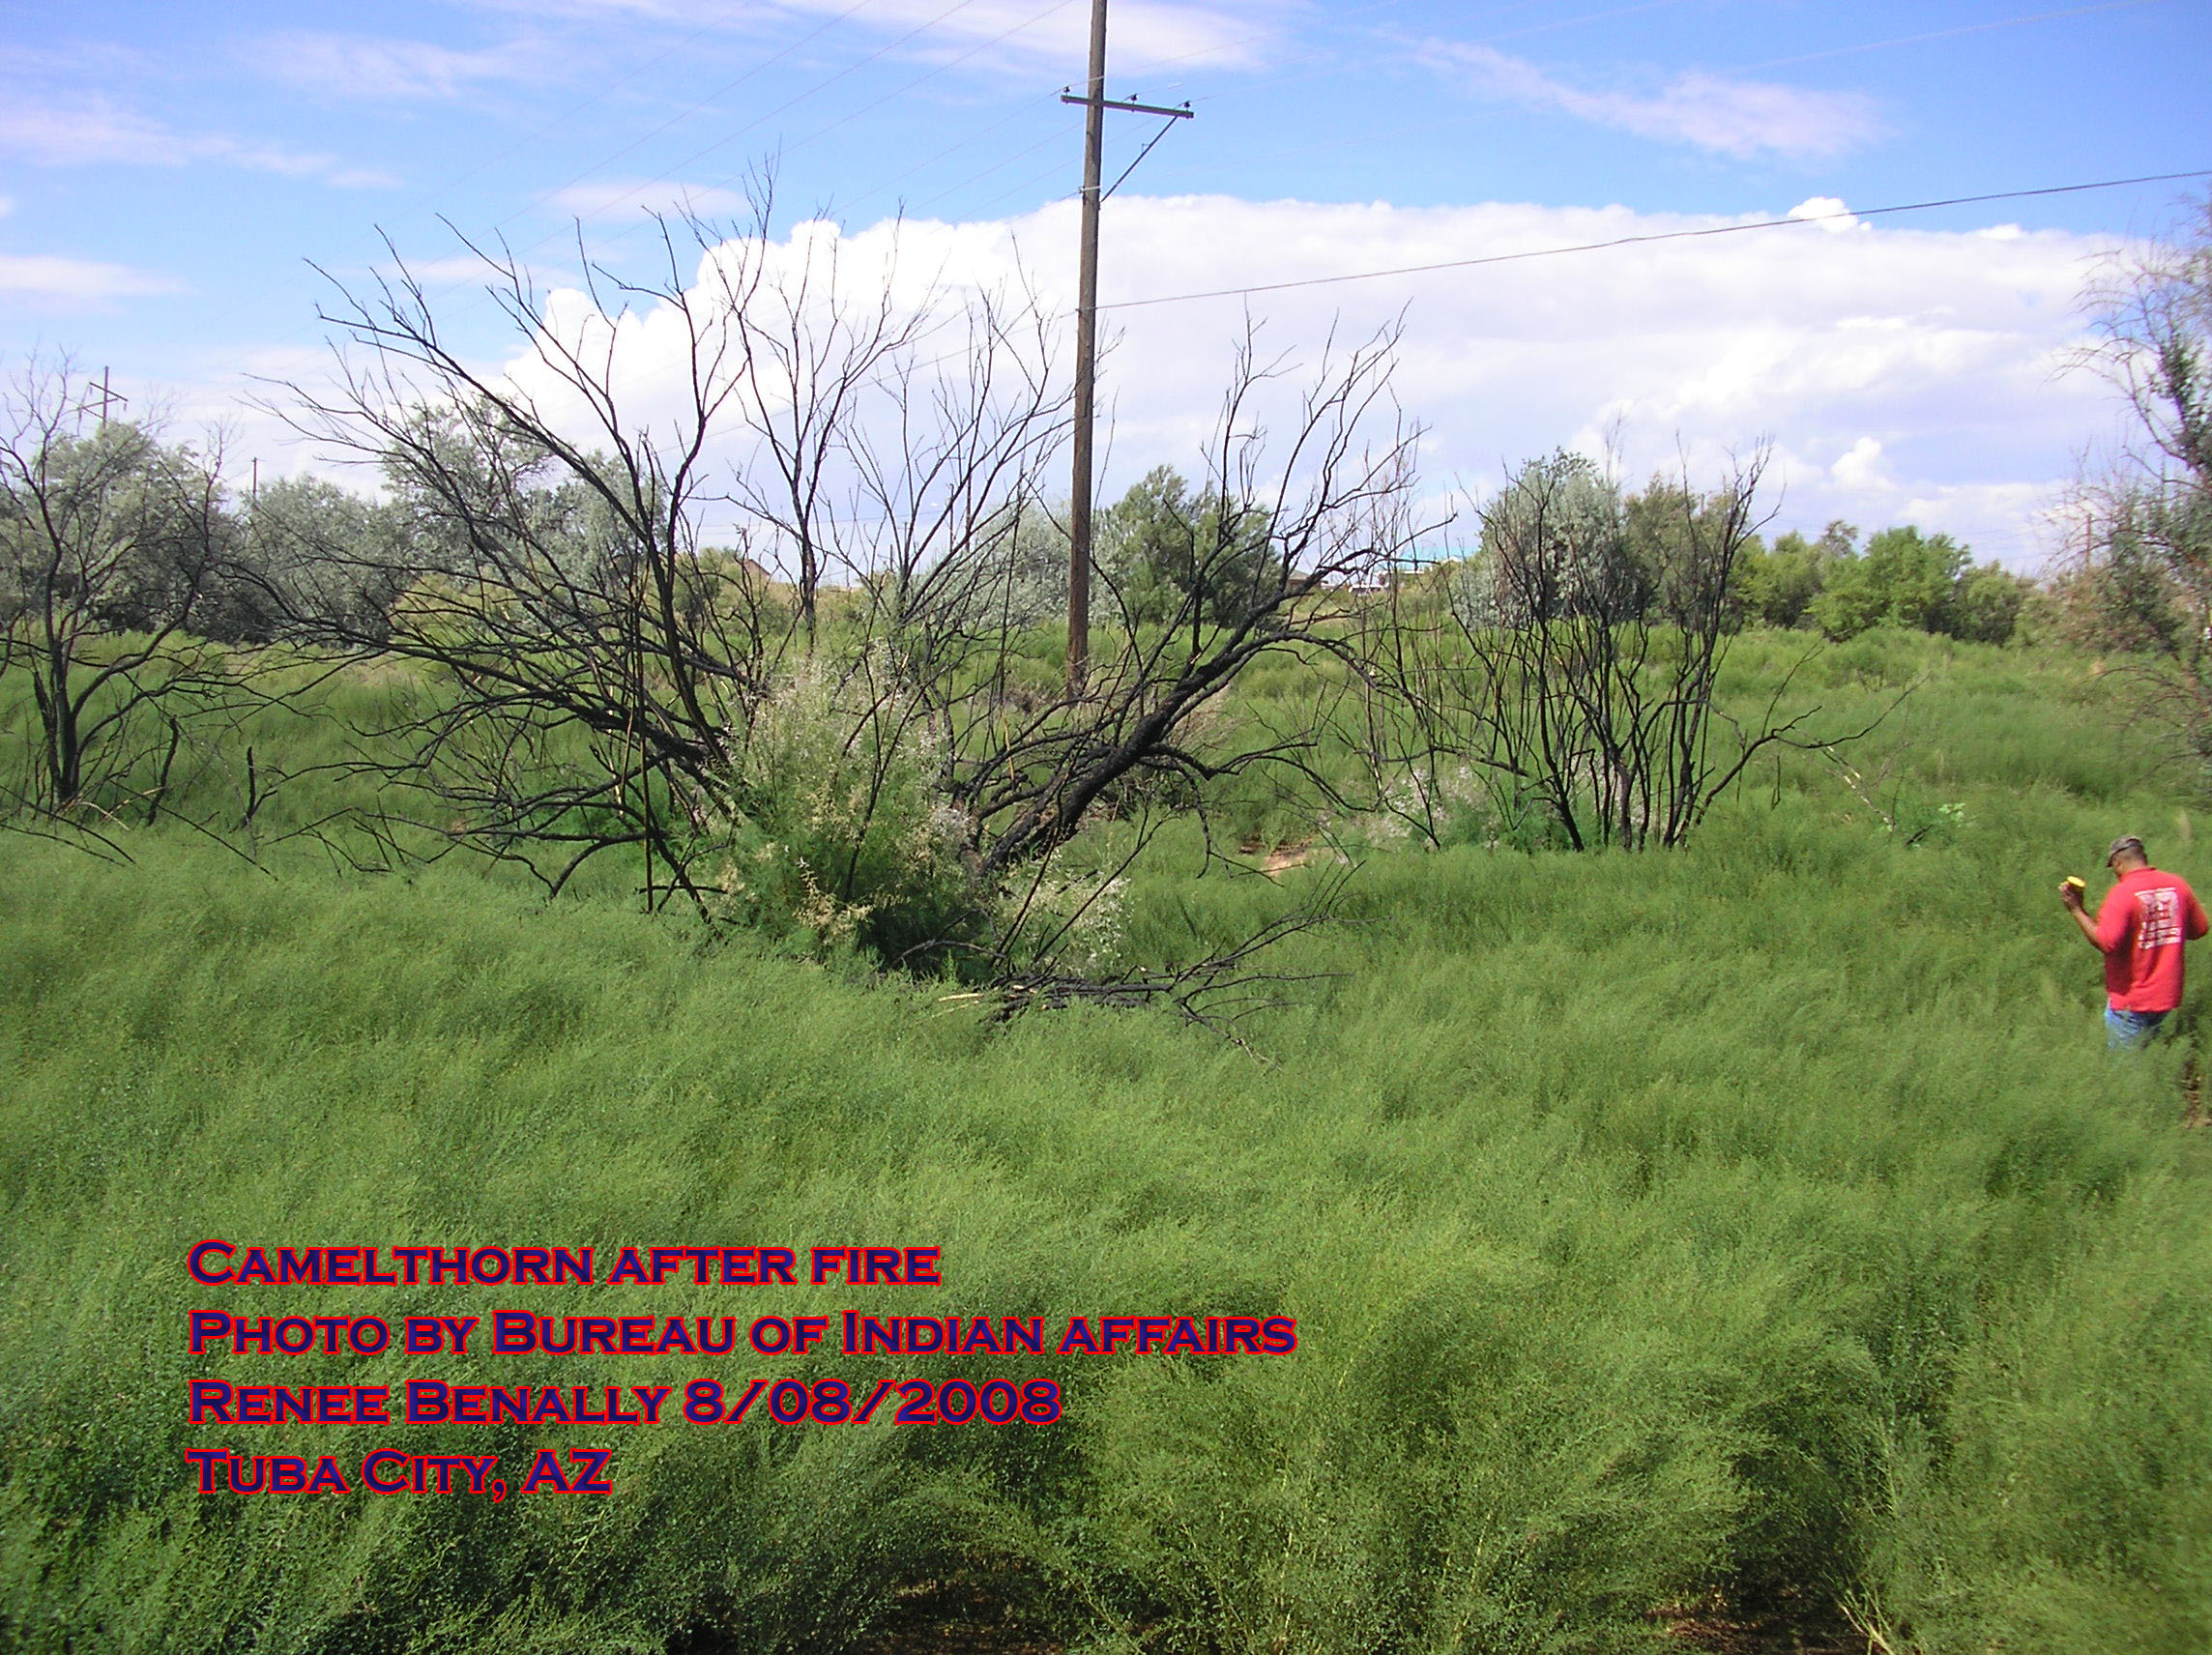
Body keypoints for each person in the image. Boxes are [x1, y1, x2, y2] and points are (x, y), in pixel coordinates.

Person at [2059, 834, 2209, 1047]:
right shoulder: (2177, 885)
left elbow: (2106, 942)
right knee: (2154, 1060)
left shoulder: (2123, 893)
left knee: (2127, 1073)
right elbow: (2200, 929)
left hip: (2131, 1002)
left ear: (2117, 862)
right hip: (2166, 999)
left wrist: (2076, 910)